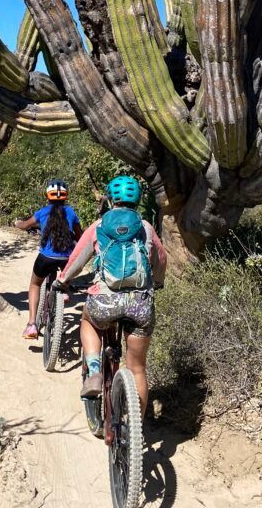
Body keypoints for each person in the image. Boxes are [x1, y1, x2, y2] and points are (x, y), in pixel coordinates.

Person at [58, 175, 166, 415]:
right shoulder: (146, 228)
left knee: (88, 320)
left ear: (110, 198)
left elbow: (76, 259)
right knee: (137, 368)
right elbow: (161, 260)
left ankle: (95, 371)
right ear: (137, 199)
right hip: (140, 305)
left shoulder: (98, 227)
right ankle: (133, 430)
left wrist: (62, 279)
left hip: (104, 301)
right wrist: (157, 282)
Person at [13, 179, 82, 340]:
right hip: (66, 258)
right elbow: (80, 236)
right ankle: (64, 289)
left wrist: (17, 223)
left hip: (46, 258)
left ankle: (31, 324)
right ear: (66, 197)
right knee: (66, 272)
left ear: (47, 196)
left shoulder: (43, 212)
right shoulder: (70, 212)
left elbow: (24, 225)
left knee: (35, 284)